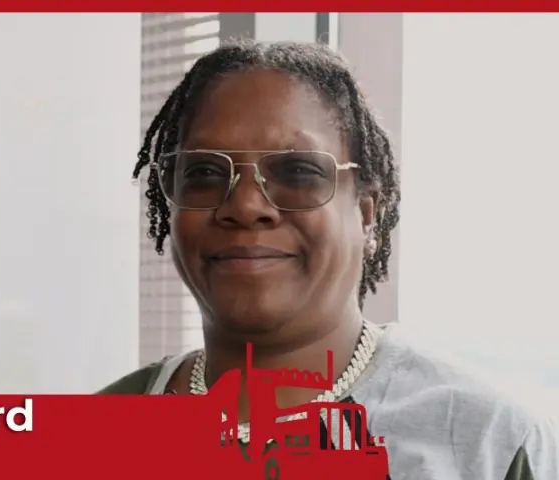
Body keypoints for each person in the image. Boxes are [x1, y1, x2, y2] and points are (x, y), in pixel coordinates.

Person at [98, 39, 557, 479]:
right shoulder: (96, 434)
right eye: (204, 172)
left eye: (298, 171)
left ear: (366, 214)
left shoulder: (488, 444)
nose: (246, 206)